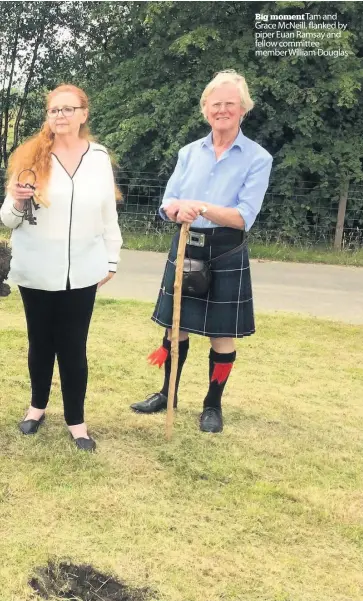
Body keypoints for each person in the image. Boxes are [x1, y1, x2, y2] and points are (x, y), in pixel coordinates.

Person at [130, 70, 272, 433]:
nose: (222, 110)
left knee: (222, 333)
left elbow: (243, 217)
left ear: (243, 109)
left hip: (226, 249)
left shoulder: (258, 158)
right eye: (215, 104)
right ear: (205, 109)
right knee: (175, 325)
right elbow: (167, 204)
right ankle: (167, 393)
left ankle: (212, 405)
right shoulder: (188, 152)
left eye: (230, 104)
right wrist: (177, 209)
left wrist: (201, 206)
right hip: (186, 242)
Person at [0, 84, 122, 451]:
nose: (61, 116)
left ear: (84, 114)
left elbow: (108, 214)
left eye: (69, 110)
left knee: (73, 347)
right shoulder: (30, 155)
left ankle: (77, 421)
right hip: (36, 268)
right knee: (40, 343)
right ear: (48, 117)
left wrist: (111, 257)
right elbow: (8, 220)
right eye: (55, 111)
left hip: (83, 269)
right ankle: (37, 407)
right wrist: (18, 203)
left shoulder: (99, 158)